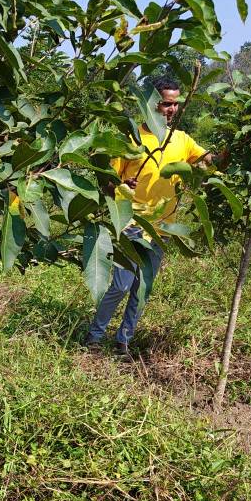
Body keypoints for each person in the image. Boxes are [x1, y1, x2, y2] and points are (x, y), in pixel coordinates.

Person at [84, 77, 220, 359]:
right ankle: (94, 336)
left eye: (176, 104)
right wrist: (121, 185)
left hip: (161, 229)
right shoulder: (132, 138)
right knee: (121, 285)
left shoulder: (182, 140)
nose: (172, 109)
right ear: (151, 104)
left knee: (141, 289)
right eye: (167, 103)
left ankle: (123, 341)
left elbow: (209, 161)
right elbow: (107, 183)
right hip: (130, 223)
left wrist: (235, 149)